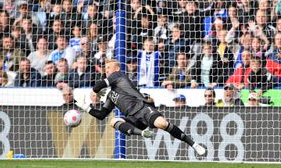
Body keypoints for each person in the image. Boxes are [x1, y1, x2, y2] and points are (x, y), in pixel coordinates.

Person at [75, 59, 206, 156]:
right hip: (133, 118)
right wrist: (86, 107)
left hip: (142, 107)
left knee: (162, 123)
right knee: (113, 121)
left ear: (117, 68)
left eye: (108, 67)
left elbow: (98, 86)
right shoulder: (111, 94)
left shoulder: (118, 75)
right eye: (105, 68)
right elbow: (101, 115)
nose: (106, 70)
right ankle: (143, 133)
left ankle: (193, 144)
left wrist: (95, 91)